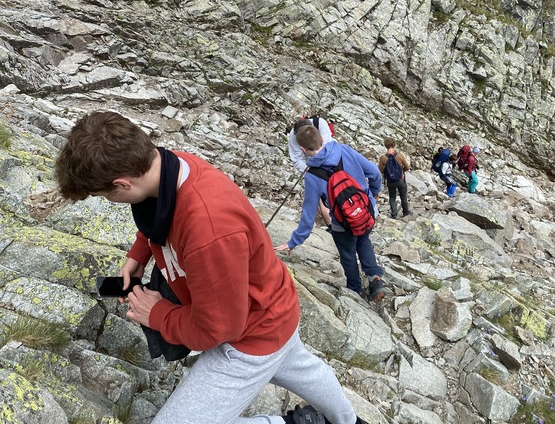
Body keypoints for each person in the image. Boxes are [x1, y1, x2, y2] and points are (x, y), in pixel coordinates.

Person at [55, 111, 368, 424]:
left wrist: (158, 314)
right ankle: (348, 421)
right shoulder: (169, 165)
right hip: (275, 305)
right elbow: (158, 215)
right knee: (299, 365)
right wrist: (138, 255)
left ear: (122, 185)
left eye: (103, 195)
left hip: (250, 336)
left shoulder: (208, 226)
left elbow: (218, 329)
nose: (108, 201)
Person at [275, 123, 386, 302]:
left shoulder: (312, 176)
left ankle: (356, 290)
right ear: (322, 138)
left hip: (343, 224)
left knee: (348, 254)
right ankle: (375, 279)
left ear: (302, 149)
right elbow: (374, 173)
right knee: (364, 240)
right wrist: (373, 194)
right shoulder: (345, 150)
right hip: (366, 212)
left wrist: (294, 241)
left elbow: (308, 215)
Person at [287, 115, 334, 227]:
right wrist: (310, 171)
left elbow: (327, 147)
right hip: (312, 167)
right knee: (320, 198)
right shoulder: (293, 136)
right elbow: (297, 159)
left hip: (330, 162)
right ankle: (331, 225)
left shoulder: (320, 124)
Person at [378, 137, 412, 219]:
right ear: (394, 145)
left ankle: (394, 214)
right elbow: (407, 167)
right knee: (403, 196)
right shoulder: (400, 155)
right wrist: (402, 171)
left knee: (392, 197)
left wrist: (388, 173)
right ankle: (405, 212)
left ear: (385, 146)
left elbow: (380, 170)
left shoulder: (383, 158)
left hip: (390, 181)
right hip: (401, 179)